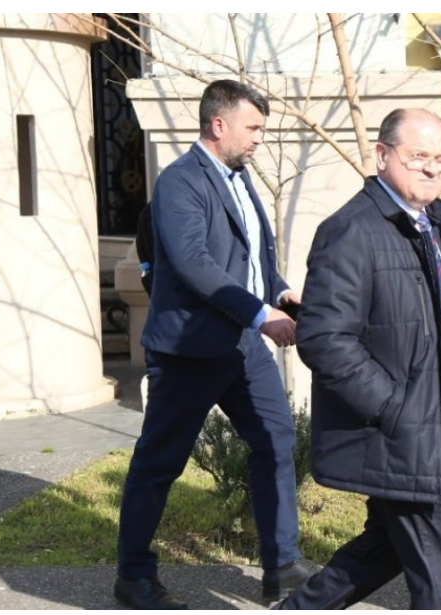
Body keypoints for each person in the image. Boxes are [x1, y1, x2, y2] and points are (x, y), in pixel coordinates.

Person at [276, 108, 441, 610]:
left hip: (430, 427)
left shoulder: (427, 224)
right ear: (382, 155)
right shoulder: (352, 230)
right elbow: (324, 339)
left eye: (440, 158)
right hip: (401, 432)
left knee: (381, 551)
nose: (432, 168)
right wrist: (395, 409)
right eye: (418, 156)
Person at [114, 79, 317, 609]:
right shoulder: (180, 181)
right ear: (218, 124)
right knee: (160, 463)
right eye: (253, 128)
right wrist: (261, 315)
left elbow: (248, 258)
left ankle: (283, 567)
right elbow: (194, 264)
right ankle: (133, 577)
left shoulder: (239, 177)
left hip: (241, 346)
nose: (259, 138)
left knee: (275, 443)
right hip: (189, 351)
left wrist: (278, 290)